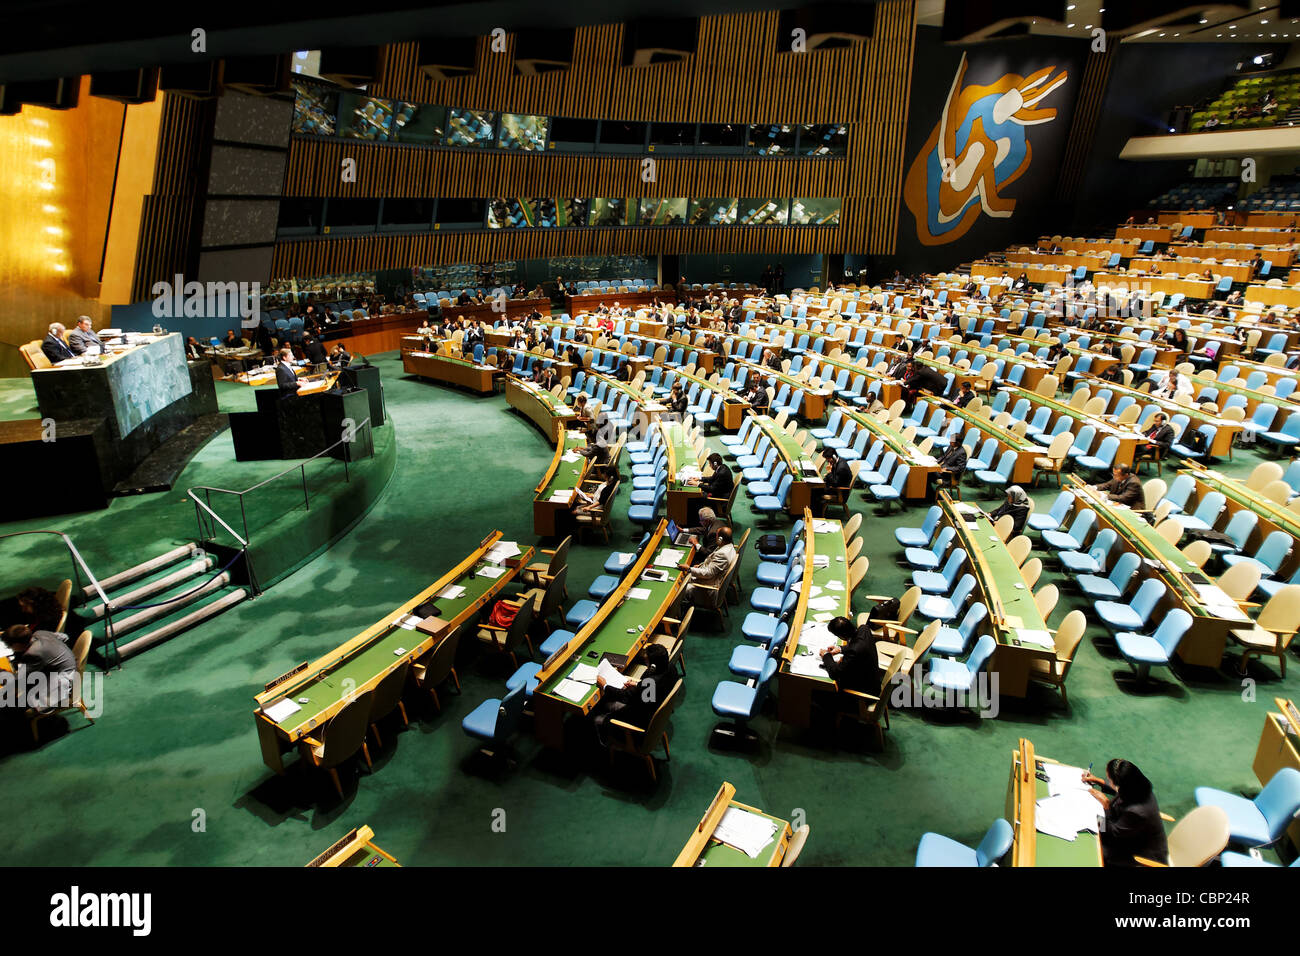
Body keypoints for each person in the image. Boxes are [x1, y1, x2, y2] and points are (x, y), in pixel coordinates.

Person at [1082, 759, 1169, 867]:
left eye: (1109, 779)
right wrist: (1097, 781)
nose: (1108, 781)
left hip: (1137, 854)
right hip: (1129, 833)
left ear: (1120, 786)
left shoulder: (1136, 812)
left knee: (1091, 849)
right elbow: (1117, 788)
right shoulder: (1138, 786)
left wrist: (1106, 806)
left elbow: (1110, 834)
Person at [591, 643, 678, 746]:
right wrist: (637, 684)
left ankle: (606, 743)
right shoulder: (671, 668)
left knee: (598, 719)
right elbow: (653, 688)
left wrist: (605, 685)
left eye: (647, 660)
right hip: (654, 706)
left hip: (642, 718)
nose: (645, 661)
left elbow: (626, 697)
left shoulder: (649, 683)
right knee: (608, 705)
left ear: (653, 666)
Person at [2, 624, 75, 712]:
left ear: (18, 644)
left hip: (60, 685)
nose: (10, 648)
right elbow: (65, 637)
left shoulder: (34, 653)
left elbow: (18, 679)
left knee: (10, 704)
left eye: (9, 645)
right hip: (66, 669)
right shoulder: (40, 633)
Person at [818, 615, 884, 695]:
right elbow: (858, 643)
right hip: (872, 678)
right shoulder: (864, 629)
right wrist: (840, 649)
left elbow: (835, 673)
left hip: (864, 691)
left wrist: (826, 655)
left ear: (842, 636)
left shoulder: (853, 652)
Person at [681, 526, 736, 605]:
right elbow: (713, 565)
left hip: (707, 588)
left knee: (680, 588)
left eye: (716, 536)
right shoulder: (730, 547)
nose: (715, 538)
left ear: (720, 539)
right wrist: (700, 565)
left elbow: (708, 574)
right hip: (712, 577)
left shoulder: (722, 554)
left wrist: (689, 569)